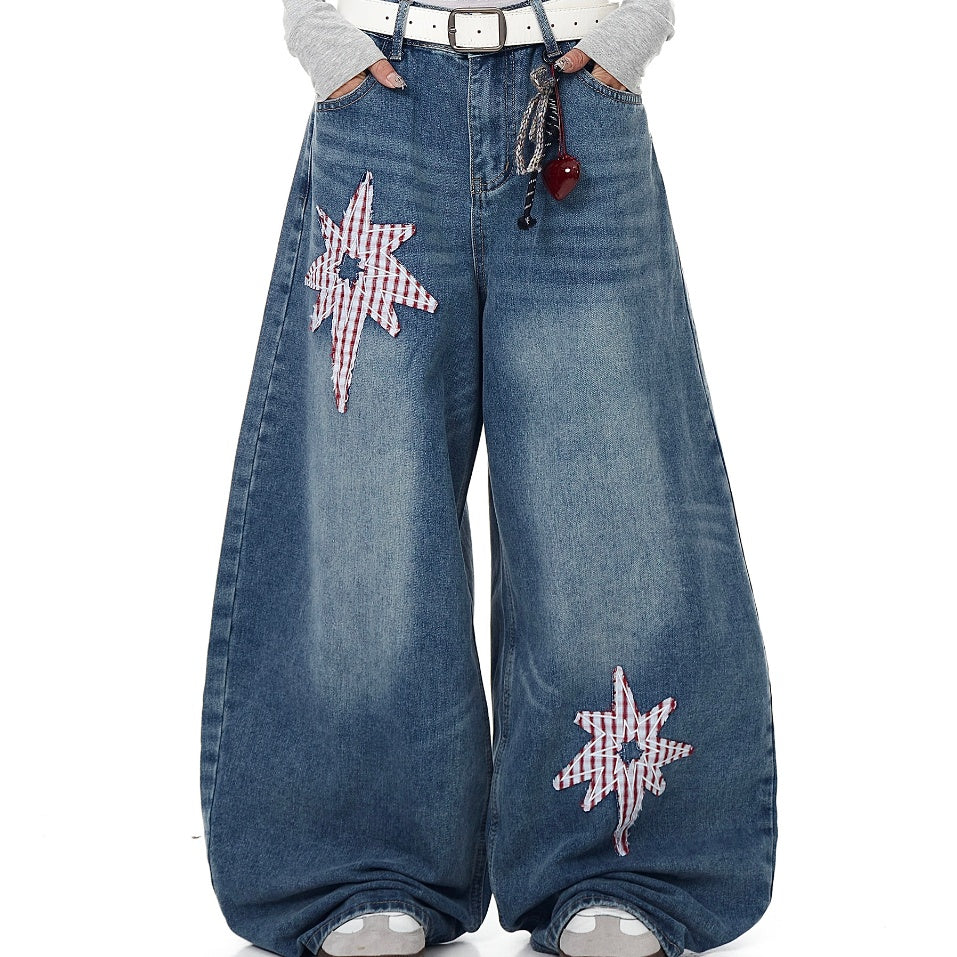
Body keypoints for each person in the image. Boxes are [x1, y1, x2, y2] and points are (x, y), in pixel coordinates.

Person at [198, 2, 778, 956]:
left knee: (605, 487)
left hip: (573, 93)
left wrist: (631, 27)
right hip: (381, 94)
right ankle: (363, 863)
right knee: (363, 497)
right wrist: (320, 34)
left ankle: (618, 861)